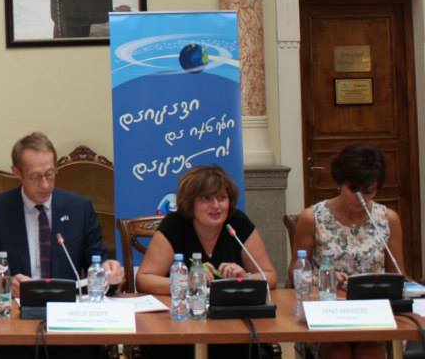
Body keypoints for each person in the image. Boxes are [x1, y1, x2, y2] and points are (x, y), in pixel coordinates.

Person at [136, 165, 277, 359]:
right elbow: (144, 279)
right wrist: (187, 282)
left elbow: (270, 276)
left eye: (222, 198)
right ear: (190, 203)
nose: (216, 206)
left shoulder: (237, 223)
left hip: (231, 326)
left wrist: (245, 278)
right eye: (206, 199)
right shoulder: (175, 225)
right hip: (181, 327)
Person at [0, 131, 124, 296]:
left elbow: (97, 266)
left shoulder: (79, 208)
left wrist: (110, 273)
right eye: (35, 176)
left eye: (50, 174)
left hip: (67, 304)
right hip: (17, 306)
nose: (45, 185)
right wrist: (6, 283)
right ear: (17, 172)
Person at [291, 144, 402, 359]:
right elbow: (294, 273)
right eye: (354, 189)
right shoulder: (312, 218)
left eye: (369, 191)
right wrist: (324, 278)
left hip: (371, 313)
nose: (361, 198)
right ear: (340, 183)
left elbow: (397, 275)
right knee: (338, 351)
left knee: (371, 353)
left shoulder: (387, 219)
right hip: (327, 311)